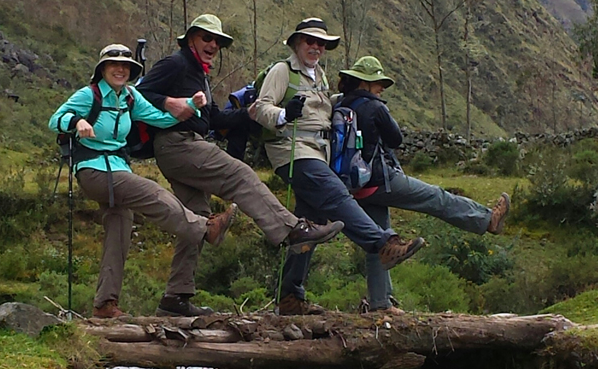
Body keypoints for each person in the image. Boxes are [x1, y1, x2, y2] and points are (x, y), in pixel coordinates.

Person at [136, 14, 345, 317]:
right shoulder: (176, 64)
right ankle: (292, 229)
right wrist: (170, 102)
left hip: (184, 143)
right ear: (191, 38)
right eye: (207, 38)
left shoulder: (198, 74)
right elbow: (137, 93)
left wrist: (249, 113)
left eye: (217, 41)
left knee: (197, 218)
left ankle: (175, 298)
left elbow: (215, 120)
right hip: (177, 144)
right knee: (239, 174)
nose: (212, 45)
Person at [48, 43, 237, 319]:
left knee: (120, 227)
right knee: (151, 192)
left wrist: (189, 107)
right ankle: (205, 229)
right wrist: (77, 122)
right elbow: (56, 119)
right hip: (93, 171)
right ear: (102, 69)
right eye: (114, 65)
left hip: (118, 168)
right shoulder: (89, 96)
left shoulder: (130, 98)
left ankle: (105, 304)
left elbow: (158, 118)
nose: (120, 69)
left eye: (126, 66)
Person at [253, 18, 425, 316]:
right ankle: (383, 244)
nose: (316, 47)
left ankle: (290, 297)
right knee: (336, 195)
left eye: (321, 43)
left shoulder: (319, 75)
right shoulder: (282, 71)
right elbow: (260, 107)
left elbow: (327, 109)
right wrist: (283, 113)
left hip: (319, 151)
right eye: (310, 41)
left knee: (310, 224)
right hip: (292, 150)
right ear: (297, 43)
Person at [336, 56, 511, 314]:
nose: (382, 88)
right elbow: (395, 139)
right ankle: (487, 220)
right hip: (381, 180)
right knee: (436, 198)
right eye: (378, 82)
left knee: (379, 241)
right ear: (365, 81)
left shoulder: (341, 105)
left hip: (356, 186)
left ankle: (380, 304)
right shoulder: (374, 107)